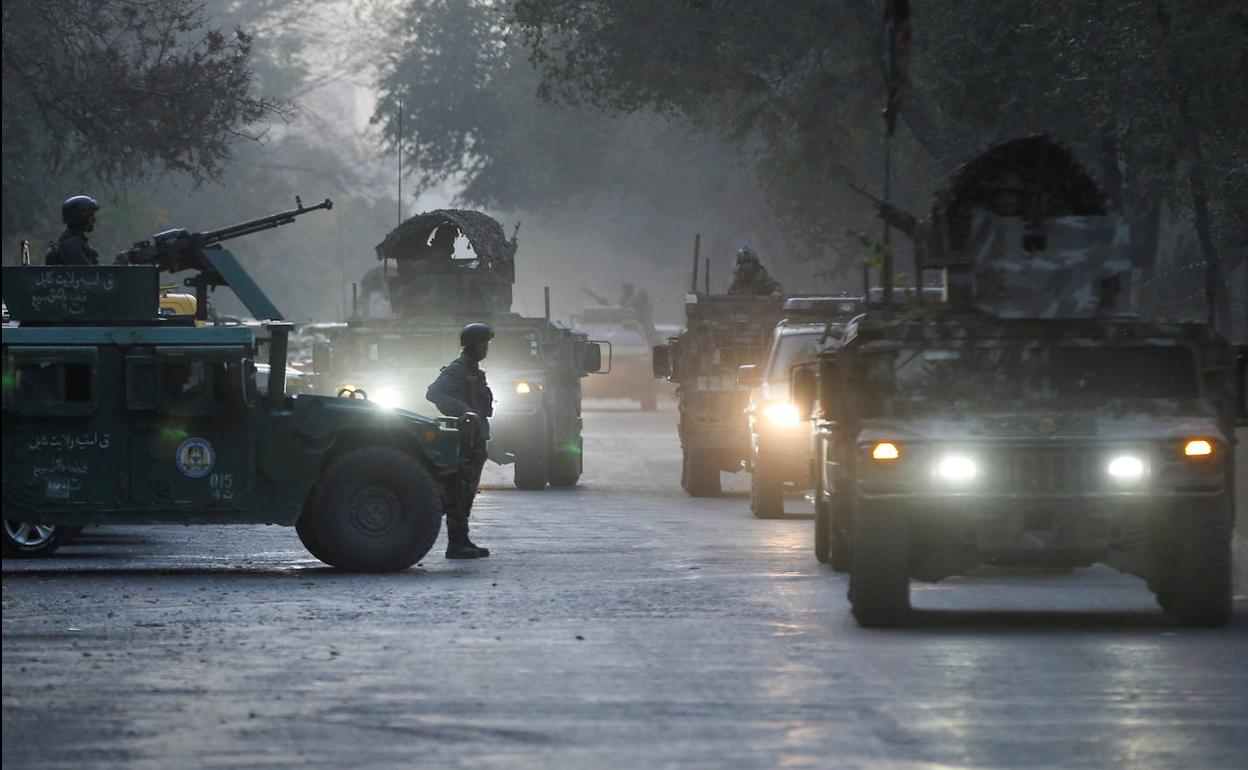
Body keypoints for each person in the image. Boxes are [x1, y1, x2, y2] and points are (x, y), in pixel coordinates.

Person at [426, 322, 495, 559]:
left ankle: (462, 539)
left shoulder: (473, 370)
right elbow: (434, 392)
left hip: (475, 437)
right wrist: (464, 410)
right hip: (463, 439)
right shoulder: (458, 369)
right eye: (483, 343)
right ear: (472, 345)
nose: (486, 348)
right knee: (459, 489)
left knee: (467, 491)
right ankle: (455, 544)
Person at [46, 196, 101, 266]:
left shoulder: (77, 240)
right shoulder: (71, 244)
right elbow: (88, 274)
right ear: (81, 218)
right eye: (91, 215)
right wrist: (116, 265)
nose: (94, 219)